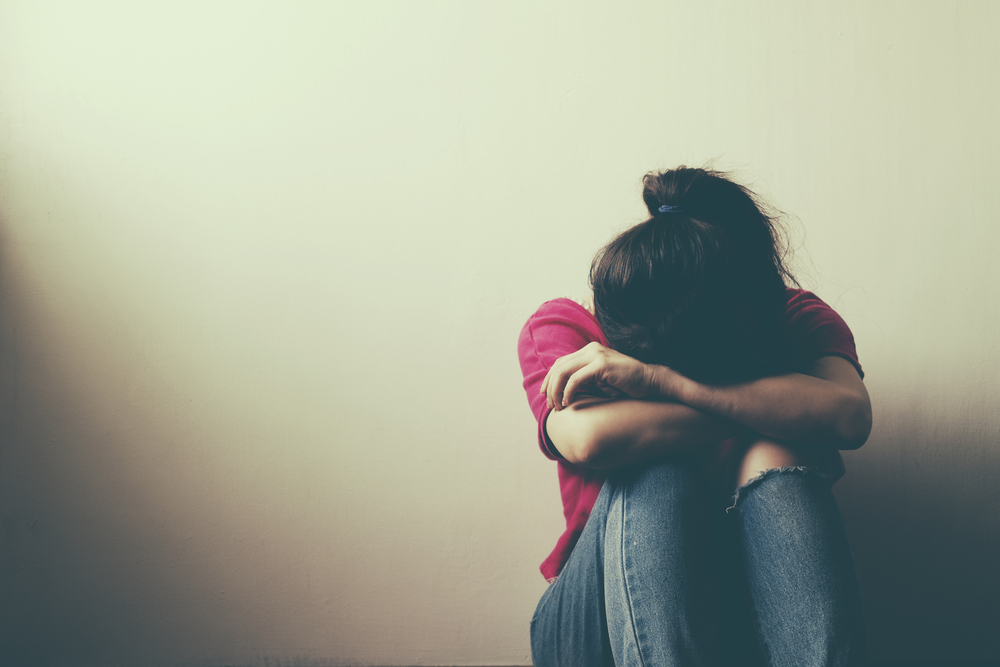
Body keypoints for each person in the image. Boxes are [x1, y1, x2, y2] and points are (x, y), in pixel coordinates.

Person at [517, 167, 872, 667]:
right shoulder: (570, 323)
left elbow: (849, 416)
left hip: (748, 621)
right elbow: (589, 438)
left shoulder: (789, 314)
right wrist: (772, 406)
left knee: (775, 455)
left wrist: (661, 383)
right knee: (658, 472)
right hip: (590, 625)